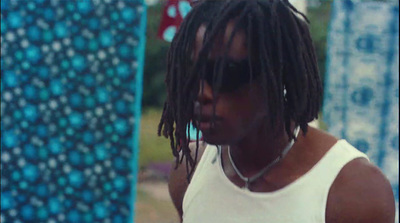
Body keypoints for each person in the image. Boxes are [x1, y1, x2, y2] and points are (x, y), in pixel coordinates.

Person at [157, 0, 396, 222]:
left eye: (225, 73)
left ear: (276, 75)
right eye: (189, 74)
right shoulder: (189, 172)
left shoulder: (352, 191)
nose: (201, 93)